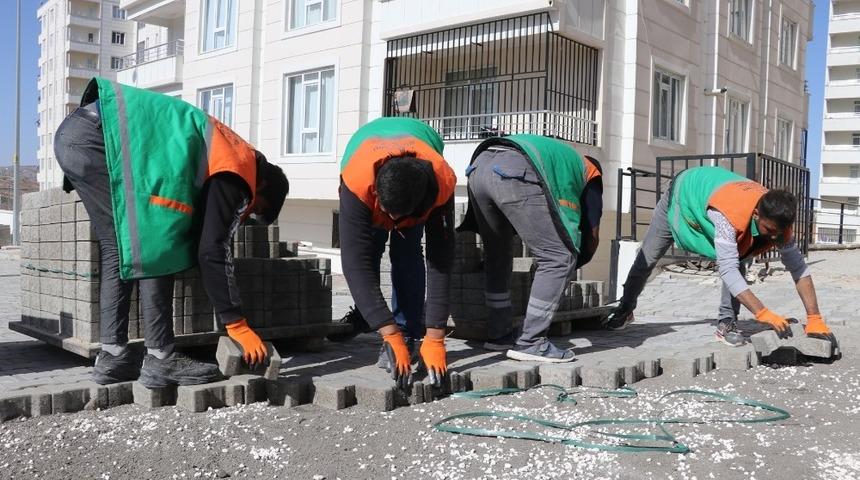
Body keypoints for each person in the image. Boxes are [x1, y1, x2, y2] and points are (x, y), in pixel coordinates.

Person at [54, 77, 288, 388]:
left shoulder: (224, 148)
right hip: (101, 138)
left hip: (77, 135)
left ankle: (113, 357)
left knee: (118, 247)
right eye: (253, 208)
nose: (244, 213)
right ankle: (161, 358)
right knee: (157, 239)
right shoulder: (239, 167)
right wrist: (237, 324)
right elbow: (212, 249)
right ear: (263, 186)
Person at [606, 166, 836, 347]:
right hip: (681, 195)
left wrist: (814, 318)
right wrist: (762, 313)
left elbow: (799, 269)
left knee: (740, 255)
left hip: (712, 192)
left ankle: (727, 323)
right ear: (757, 214)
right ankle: (625, 309)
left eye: (779, 232)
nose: (774, 237)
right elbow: (727, 269)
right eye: (769, 230)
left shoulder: (778, 221)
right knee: (647, 259)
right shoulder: (728, 216)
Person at [457, 135, 603, 363]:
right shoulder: (592, 174)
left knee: (497, 255)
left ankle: (499, 334)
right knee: (558, 258)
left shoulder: (561, 158)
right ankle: (531, 342)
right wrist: (571, 263)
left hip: (478, 168)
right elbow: (592, 236)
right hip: (513, 170)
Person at [338, 117, 456, 388]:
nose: (391, 220)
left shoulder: (441, 183)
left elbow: (440, 259)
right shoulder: (357, 182)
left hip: (422, 140)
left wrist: (435, 336)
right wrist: (388, 334)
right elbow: (354, 263)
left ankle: (409, 330)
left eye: (397, 215)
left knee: (407, 252)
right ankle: (376, 321)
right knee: (369, 248)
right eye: (386, 211)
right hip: (364, 144)